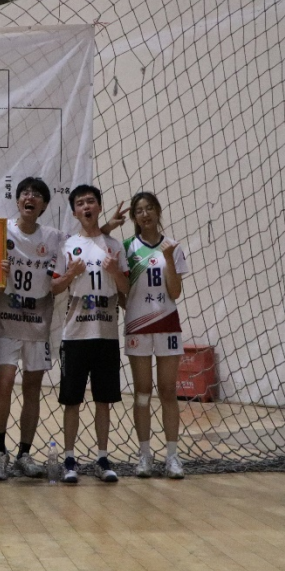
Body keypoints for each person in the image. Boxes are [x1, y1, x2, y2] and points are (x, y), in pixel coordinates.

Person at [0, 177, 126, 481]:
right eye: (25, 193)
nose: (30, 197)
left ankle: (24, 454)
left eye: (37, 195)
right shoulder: (0, 231)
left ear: (44, 205)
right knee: (5, 383)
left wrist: (107, 227)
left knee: (32, 388)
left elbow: (88, 239)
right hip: (6, 320)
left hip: (39, 324)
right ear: (17, 200)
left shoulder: (55, 238)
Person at [50, 184, 129, 483]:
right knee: (72, 400)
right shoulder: (67, 245)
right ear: (74, 212)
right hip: (75, 335)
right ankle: (70, 458)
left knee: (103, 400)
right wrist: (71, 274)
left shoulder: (114, 245)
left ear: (98, 207)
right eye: (81, 203)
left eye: (91, 201)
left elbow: (127, 290)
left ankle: (102, 457)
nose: (86, 206)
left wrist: (115, 272)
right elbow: (54, 287)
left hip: (106, 334)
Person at [123, 191, 189, 479]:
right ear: (134, 217)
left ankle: (172, 456)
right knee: (142, 393)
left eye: (149, 208)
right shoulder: (127, 248)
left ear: (158, 211)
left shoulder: (173, 247)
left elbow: (175, 292)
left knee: (167, 391)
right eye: (139, 210)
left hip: (167, 324)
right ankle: (145, 455)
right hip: (138, 326)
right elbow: (122, 292)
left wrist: (169, 259)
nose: (145, 214)